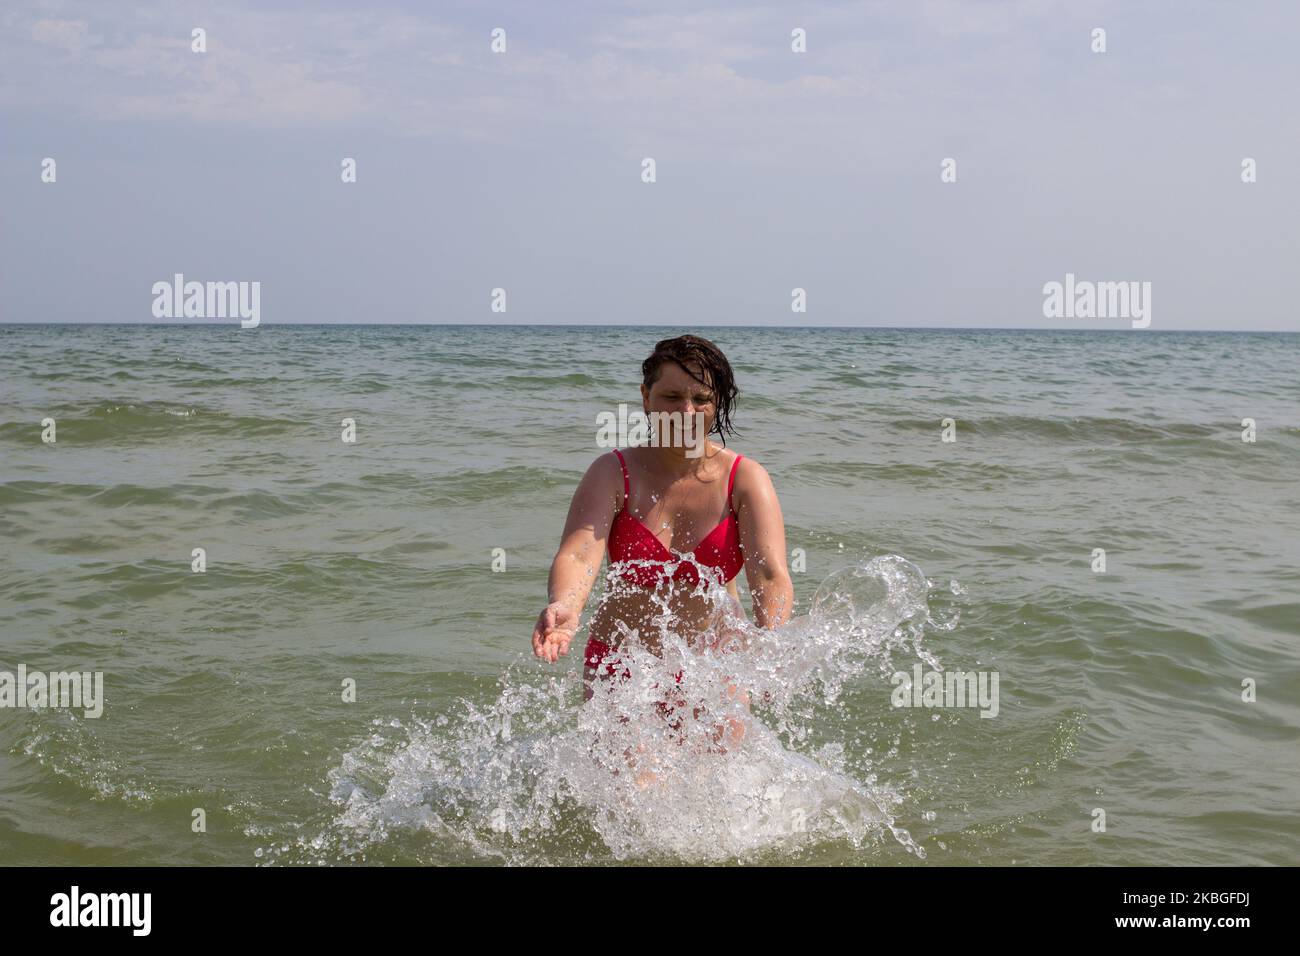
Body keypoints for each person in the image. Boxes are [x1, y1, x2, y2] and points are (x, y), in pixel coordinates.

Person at [531, 335, 794, 765]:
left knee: (721, 795)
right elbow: (580, 553)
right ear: (646, 398)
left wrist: (772, 645)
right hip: (623, 659)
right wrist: (566, 605)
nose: (686, 412)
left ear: (716, 403)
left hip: (716, 665)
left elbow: (770, 575)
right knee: (633, 793)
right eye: (671, 396)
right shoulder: (612, 472)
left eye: (701, 398)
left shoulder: (745, 479)